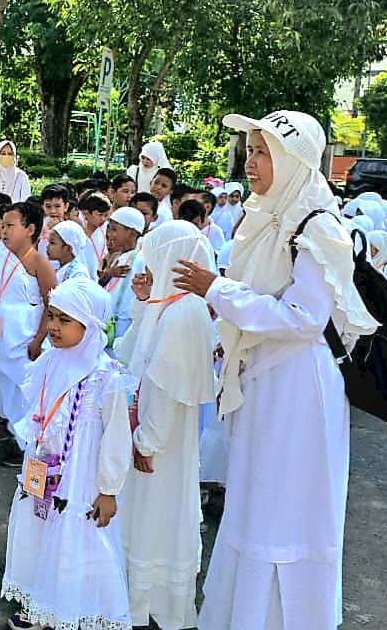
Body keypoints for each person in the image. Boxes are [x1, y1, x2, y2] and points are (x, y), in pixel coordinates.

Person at [173, 110, 377, 630]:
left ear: (294, 162)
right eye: (252, 150)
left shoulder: (317, 226)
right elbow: (261, 301)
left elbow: (303, 319)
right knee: (255, 503)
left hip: (298, 390)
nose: (252, 163)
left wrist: (217, 291)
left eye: (264, 153)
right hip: (265, 380)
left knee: (284, 512)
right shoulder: (265, 215)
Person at [1, 277, 133, 630]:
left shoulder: (105, 376)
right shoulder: (50, 361)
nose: (54, 327)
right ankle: (38, 600)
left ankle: (69, 609)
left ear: (89, 325)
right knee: (39, 531)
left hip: (81, 477)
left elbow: (117, 438)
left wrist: (108, 489)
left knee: (76, 538)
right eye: (52, 317)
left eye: (65, 320)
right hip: (45, 468)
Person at [116, 220, 217, 630]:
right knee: (147, 519)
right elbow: (134, 354)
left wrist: (145, 442)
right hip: (155, 440)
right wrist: (143, 301)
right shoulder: (170, 306)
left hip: (159, 445)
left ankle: (148, 602)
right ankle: (139, 599)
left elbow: (165, 389)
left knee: (153, 518)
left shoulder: (183, 315)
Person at [0, 201, 57, 458]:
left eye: (10, 226)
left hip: (24, 342)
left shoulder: (39, 262)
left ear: (30, 229)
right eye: (2, 226)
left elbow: (52, 306)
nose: (4, 231)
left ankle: (29, 447)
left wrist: (39, 339)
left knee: (23, 396)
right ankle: (9, 436)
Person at [99, 207, 145, 347]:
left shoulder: (139, 260)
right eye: (109, 229)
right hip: (109, 324)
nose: (109, 234)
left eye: (114, 229)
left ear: (131, 232)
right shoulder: (117, 256)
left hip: (124, 326)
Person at [79, 193, 111, 270]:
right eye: (99, 215)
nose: (103, 219)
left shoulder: (109, 230)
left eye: (106, 215)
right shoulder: (79, 232)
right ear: (86, 213)